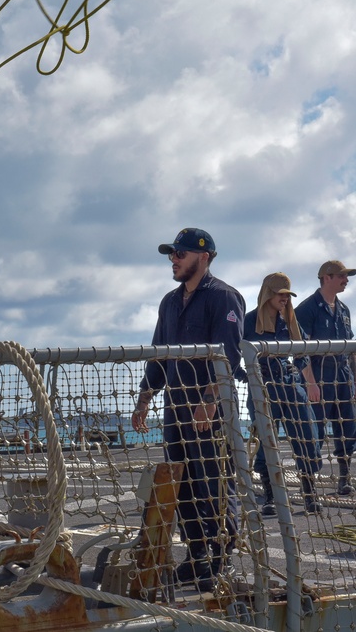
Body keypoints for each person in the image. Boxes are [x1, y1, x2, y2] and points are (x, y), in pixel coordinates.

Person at [131, 228, 245, 593]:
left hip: (210, 411)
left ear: (204, 256)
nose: (174, 259)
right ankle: (195, 556)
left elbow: (227, 354)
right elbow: (158, 354)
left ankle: (219, 557)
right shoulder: (169, 302)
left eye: (180, 253)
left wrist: (209, 402)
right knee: (181, 485)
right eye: (172, 254)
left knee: (214, 484)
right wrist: (145, 398)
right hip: (176, 410)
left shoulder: (224, 298)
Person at [243, 272, 323, 515]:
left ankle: (309, 493)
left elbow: (303, 352)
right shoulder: (248, 322)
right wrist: (249, 376)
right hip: (262, 388)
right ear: (268, 294)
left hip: (290, 385)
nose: (286, 299)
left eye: (288, 295)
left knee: (307, 434)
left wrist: (295, 371)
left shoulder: (290, 321)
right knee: (266, 442)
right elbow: (236, 355)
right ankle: (269, 496)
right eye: (281, 294)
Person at [295, 260, 356, 496]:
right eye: (342, 276)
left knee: (347, 428)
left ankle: (344, 477)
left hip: (342, 375)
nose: (346, 280)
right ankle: (308, 484)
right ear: (327, 277)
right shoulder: (307, 309)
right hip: (318, 374)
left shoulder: (343, 310)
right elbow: (300, 350)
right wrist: (310, 383)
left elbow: (350, 348)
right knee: (314, 432)